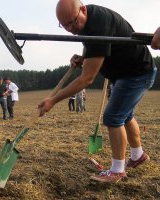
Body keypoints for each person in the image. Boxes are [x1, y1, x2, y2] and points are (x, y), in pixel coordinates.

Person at [38, 0, 157, 183]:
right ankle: (138, 155)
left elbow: (87, 79)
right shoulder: (87, 21)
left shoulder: (98, 24)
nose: (70, 29)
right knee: (125, 116)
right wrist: (84, 57)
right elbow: (94, 46)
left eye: (72, 22)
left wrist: (53, 100)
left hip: (136, 73)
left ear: (83, 10)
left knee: (113, 117)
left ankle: (117, 170)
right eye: (65, 25)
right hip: (127, 73)